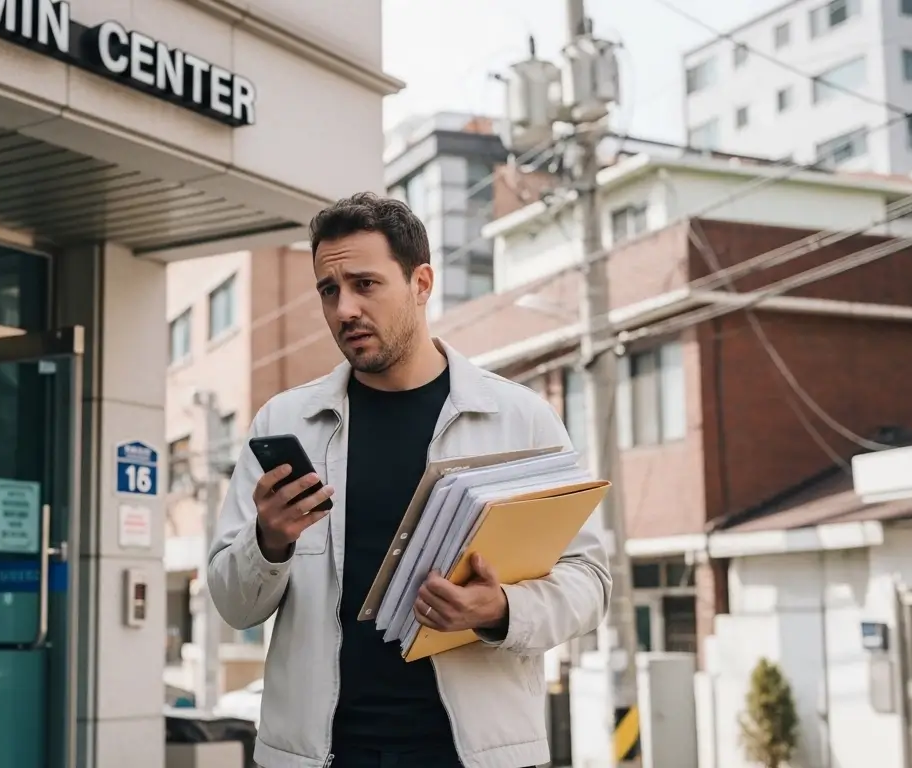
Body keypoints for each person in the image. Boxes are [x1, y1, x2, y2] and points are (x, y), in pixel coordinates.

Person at [205, 192, 611, 768]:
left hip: (476, 756)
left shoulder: (518, 418)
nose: (344, 308)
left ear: (421, 284)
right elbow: (233, 604)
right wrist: (268, 543)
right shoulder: (284, 423)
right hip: (321, 756)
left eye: (365, 284)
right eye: (329, 289)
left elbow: (590, 583)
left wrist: (497, 609)